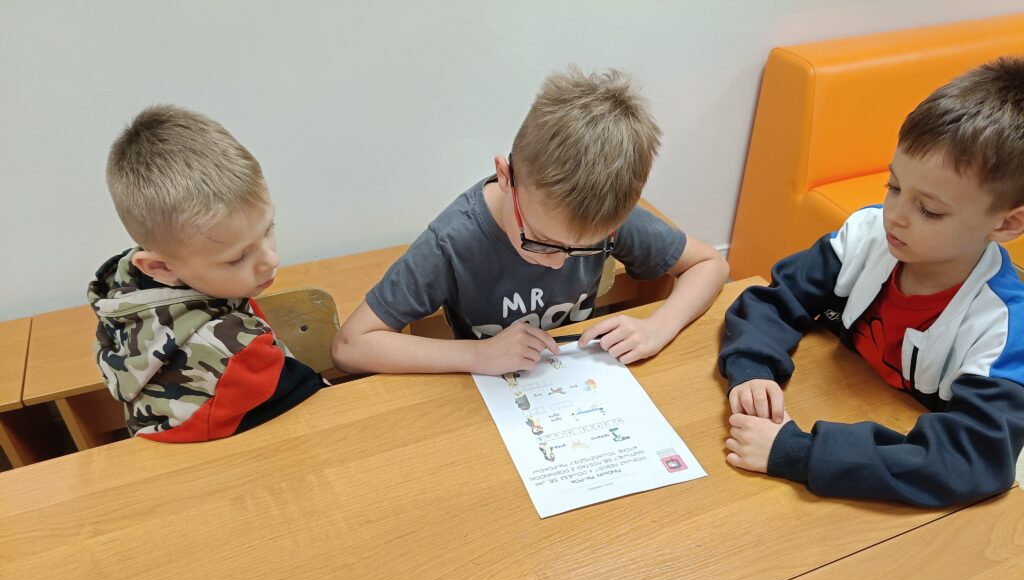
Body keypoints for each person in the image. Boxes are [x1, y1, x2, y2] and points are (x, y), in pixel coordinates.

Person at [719, 57, 1024, 506]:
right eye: (893, 187)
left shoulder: (1004, 330)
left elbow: (968, 461)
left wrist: (800, 454)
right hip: (852, 407)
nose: (894, 216)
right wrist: (752, 368)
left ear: (1006, 224)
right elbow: (773, 301)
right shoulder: (866, 236)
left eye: (929, 210)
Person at [332, 67, 728, 376]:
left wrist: (658, 327)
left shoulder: (600, 211)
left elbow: (710, 263)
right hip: (486, 393)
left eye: (583, 249)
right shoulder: (454, 240)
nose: (557, 263)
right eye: (540, 240)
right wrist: (477, 354)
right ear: (506, 177)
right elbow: (351, 346)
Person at [89, 105, 324, 442]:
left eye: (268, 228)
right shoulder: (235, 350)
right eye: (236, 258)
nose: (270, 259)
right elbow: (317, 404)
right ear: (160, 267)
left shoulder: (124, 287)